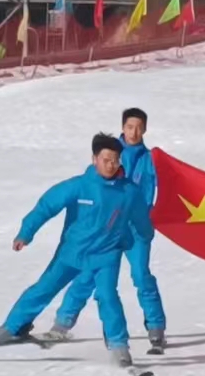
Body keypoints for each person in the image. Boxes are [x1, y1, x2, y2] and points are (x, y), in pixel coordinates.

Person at [0, 132, 153, 370]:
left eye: (116, 160)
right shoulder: (78, 186)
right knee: (43, 288)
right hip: (71, 253)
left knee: (108, 297)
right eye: (106, 160)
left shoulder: (128, 192)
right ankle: (12, 328)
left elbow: (141, 220)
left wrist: (144, 237)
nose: (112, 165)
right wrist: (25, 233)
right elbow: (46, 206)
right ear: (94, 159)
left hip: (106, 256)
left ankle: (119, 345)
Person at [42, 107, 166, 349]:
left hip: (136, 229)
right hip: (107, 229)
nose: (134, 131)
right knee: (87, 274)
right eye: (130, 126)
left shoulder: (152, 160)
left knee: (141, 275)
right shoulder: (110, 153)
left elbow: (170, 187)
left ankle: (156, 328)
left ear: (146, 129)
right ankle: (62, 324)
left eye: (139, 127)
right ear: (123, 127)